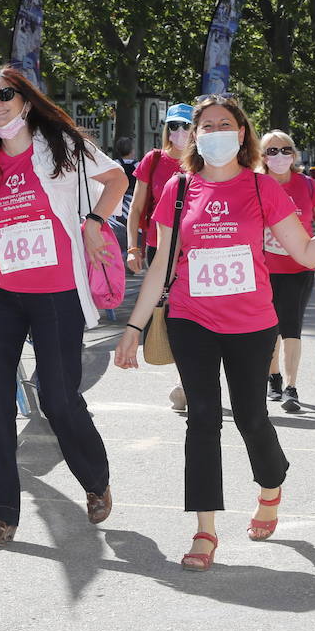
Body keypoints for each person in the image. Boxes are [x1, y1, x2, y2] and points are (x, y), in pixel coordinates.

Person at [114, 95, 315, 571]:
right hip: (191, 320)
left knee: (252, 417)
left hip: (253, 324)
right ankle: (204, 528)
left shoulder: (261, 188)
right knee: (202, 420)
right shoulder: (178, 188)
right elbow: (160, 266)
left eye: (225, 124)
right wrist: (134, 325)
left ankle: (271, 486)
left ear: (241, 134)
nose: (215, 131)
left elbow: (305, 252)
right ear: (195, 135)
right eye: (206, 125)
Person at [0, 66, 126, 549]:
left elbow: (116, 179)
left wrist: (92, 220)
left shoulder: (61, 145)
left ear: (25, 101)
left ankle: (95, 479)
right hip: (2, 294)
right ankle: (1, 515)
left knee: (58, 397)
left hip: (57, 293)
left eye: (6, 95)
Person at [126, 102, 194, 411]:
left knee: (195, 311)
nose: (179, 132)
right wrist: (132, 246)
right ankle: (187, 379)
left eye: (185, 126)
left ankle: (192, 380)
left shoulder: (206, 161)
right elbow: (137, 208)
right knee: (171, 313)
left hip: (197, 248)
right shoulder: (153, 161)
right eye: (173, 126)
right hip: (161, 249)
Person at [260, 130, 315, 413]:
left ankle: (291, 387)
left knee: (291, 325)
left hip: (299, 268)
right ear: (262, 157)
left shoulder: (307, 185)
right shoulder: (256, 184)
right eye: (272, 151)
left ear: (294, 154)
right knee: (269, 328)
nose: (279, 156)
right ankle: (273, 376)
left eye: (285, 150)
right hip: (262, 269)